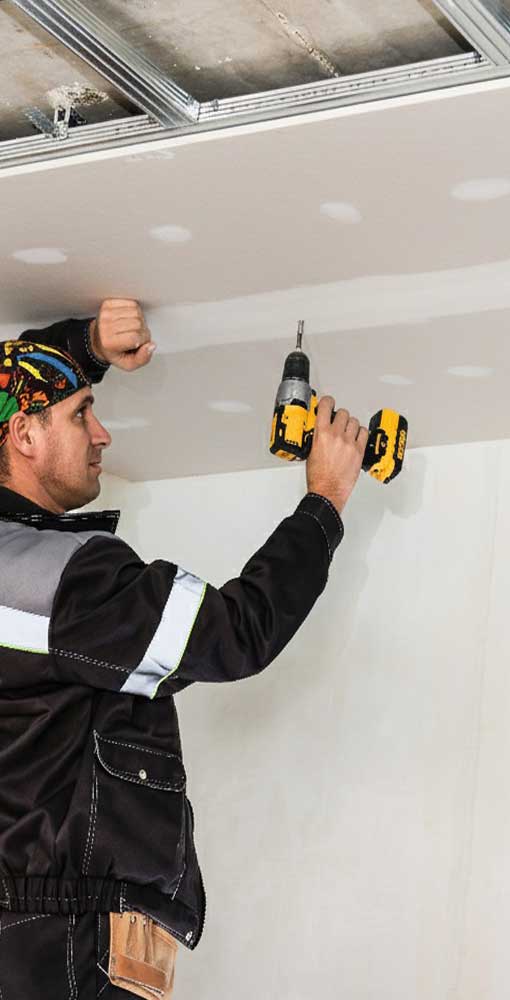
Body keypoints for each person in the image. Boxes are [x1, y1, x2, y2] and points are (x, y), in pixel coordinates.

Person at [0, 301, 368, 998]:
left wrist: (83, 347)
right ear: (22, 434)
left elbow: (13, 385)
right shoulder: (59, 581)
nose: (103, 433)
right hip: (63, 941)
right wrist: (325, 502)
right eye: (81, 414)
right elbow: (235, 633)